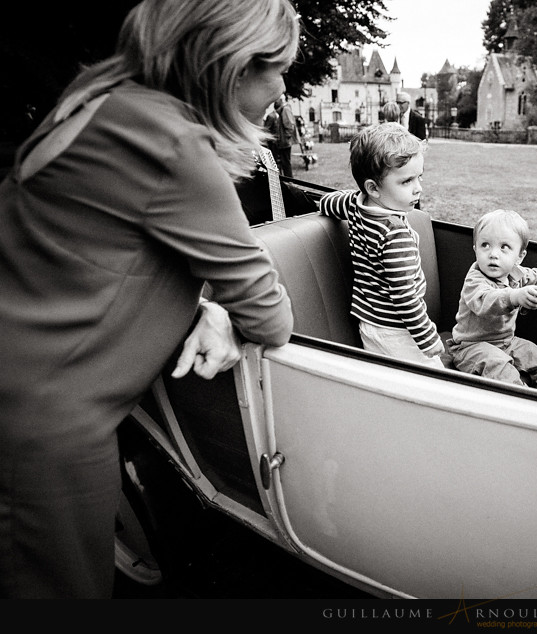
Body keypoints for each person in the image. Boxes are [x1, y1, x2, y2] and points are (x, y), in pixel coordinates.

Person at [0, 0, 298, 599]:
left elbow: (102, 259)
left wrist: (207, 307)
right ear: (235, 65)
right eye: (280, 71)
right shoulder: (170, 142)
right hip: (46, 431)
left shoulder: (99, 100)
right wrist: (226, 312)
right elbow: (270, 315)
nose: (283, 90)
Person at [317, 122, 444, 369]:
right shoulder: (395, 233)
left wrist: (325, 202)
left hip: (369, 322)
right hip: (399, 329)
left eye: (419, 177)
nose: (418, 188)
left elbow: (328, 202)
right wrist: (428, 337)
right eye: (407, 181)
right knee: (435, 382)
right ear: (373, 188)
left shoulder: (354, 204)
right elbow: (404, 295)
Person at [447, 209, 537, 392]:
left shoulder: (515, 274)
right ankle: (523, 402)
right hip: (470, 347)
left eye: (504, 247)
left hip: (506, 342)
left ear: (520, 257)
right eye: (485, 245)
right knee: (500, 368)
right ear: (475, 249)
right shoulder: (475, 280)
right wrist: (514, 296)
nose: (493, 254)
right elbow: (486, 301)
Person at [265, 95, 299, 177]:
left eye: (277, 100)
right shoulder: (282, 110)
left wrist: (286, 138)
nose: (276, 102)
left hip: (284, 142)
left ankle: (289, 181)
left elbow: (289, 126)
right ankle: (286, 180)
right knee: (283, 163)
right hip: (281, 142)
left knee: (286, 163)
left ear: (281, 100)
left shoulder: (285, 109)